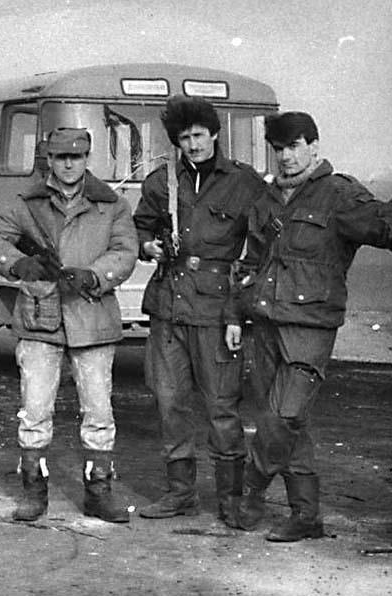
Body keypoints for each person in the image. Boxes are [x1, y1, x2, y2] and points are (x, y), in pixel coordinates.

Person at [227, 111, 392, 542]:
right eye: (278, 149)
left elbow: (391, 228)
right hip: (265, 324)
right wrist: (235, 314)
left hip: (309, 328)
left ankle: (251, 489)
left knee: (284, 415)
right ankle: (306, 516)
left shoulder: (339, 195)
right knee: (287, 423)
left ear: (313, 146)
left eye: (294, 146)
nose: (285, 157)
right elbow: (250, 264)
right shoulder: (268, 199)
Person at [0, 127, 138, 523]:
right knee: (34, 410)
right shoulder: (27, 202)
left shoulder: (111, 204)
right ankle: (34, 492)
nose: (69, 164)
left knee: (99, 411)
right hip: (41, 315)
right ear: (49, 160)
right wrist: (19, 264)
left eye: (76, 157)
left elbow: (125, 251)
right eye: (61, 157)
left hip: (91, 314)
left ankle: (99, 492)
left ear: (87, 159)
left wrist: (94, 275)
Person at [132, 95, 267, 525]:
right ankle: (180, 494)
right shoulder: (161, 182)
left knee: (222, 408)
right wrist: (147, 246)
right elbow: (139, 228)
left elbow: (261, 247)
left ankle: (231, 500)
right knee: (170, 404)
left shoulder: (244, 182)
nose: (192, 144)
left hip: (216, 311)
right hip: (168, 308)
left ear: (214, 133)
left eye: (198, 135)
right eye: (184, 138)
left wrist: (238, 311)